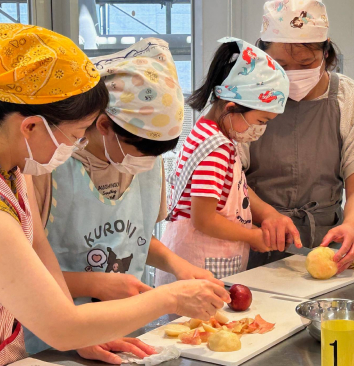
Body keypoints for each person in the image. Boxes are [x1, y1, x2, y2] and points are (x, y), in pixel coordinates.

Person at [0, 23, 229, 366]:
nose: (75, 147)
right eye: (75, 135)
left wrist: (85, 336)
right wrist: (169, 298)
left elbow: (41, 252)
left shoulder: (6, 155)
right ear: (30, 126)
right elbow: (60, 327)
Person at [26, 38, 220, 358]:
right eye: (141, 151)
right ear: (103, 125)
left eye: (157, 154)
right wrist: (93, 285)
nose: (147, 162)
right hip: (52, 340)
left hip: (122, 332)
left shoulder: (146, 161)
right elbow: (23, 269)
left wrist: (179, 265)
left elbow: (137, 236)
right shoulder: (45, 167)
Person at [244, 0, 354, 272]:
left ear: (326, 51)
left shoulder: (352, 100)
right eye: (281, 65)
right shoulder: (243, 98)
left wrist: (353, 227)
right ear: (262, 55)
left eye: (306, 63)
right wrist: (268, 214)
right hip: (253, 241)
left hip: (325, 246)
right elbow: (228, 178)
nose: (293, 74)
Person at [155, 37, 301, 286]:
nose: (260, 130)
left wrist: (266, 214)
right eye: (261, 121)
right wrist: (251, 236)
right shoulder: (216, 150)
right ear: (231, 108)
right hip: (199, 265)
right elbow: (204, 219)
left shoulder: (209, 132)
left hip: (204, 261)